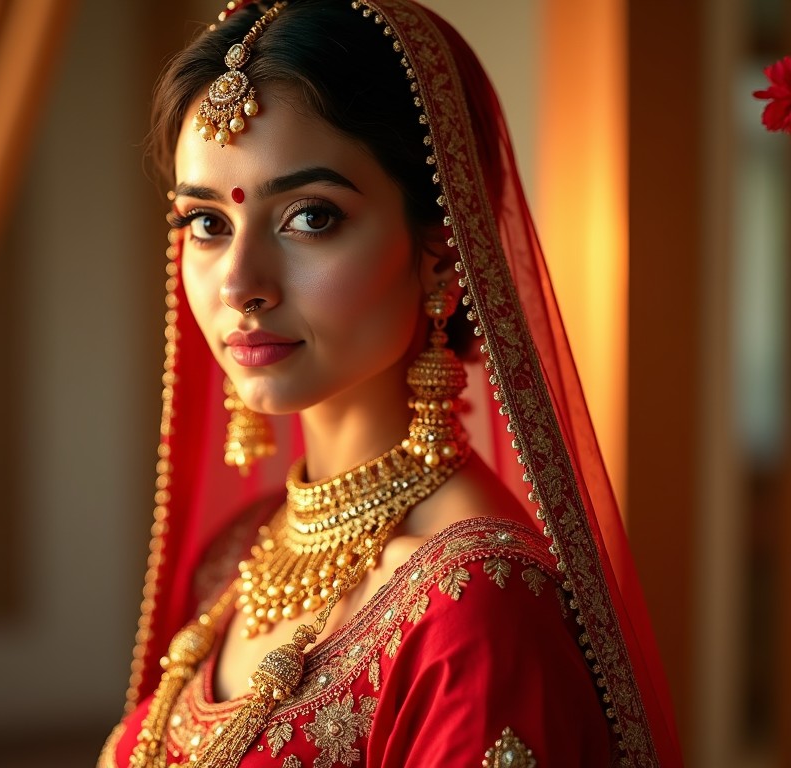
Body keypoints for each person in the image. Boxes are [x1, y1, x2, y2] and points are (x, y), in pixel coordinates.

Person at [100, 0, 683, 765]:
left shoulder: (476, 603)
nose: (240, 282)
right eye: (206, 223)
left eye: (310, 217)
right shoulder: (237, 554)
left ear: (441, 256)